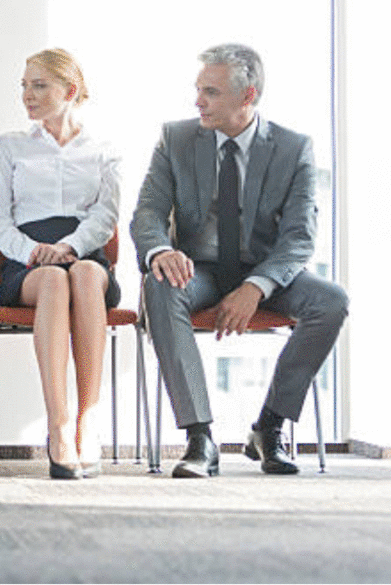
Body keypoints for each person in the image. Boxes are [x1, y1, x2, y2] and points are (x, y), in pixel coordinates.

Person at [131, 43, 349, 478]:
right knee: (159, 283)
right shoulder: (176, 139)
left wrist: (257, 287)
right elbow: (149, 211)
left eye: (210, 92)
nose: (198, 102)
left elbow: (299, 236)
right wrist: (162, 249)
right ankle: (199, 438)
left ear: (247, 96)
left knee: (330, 301)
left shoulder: (293, 148)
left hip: (266, 270)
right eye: (198, 90)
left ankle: (269, 428)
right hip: (200, 269)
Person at [0, 48, 121, 479]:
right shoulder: (10, 145)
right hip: (28, 259)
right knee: (53, 283)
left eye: (39, 85)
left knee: (79, 275)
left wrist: (72, 247)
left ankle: (89, 418)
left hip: (84, 254)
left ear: (70, 90)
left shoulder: (103, 149)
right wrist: (32, 252)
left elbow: (107, 214)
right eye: (24, 85)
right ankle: (59, 422)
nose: (28, 94)